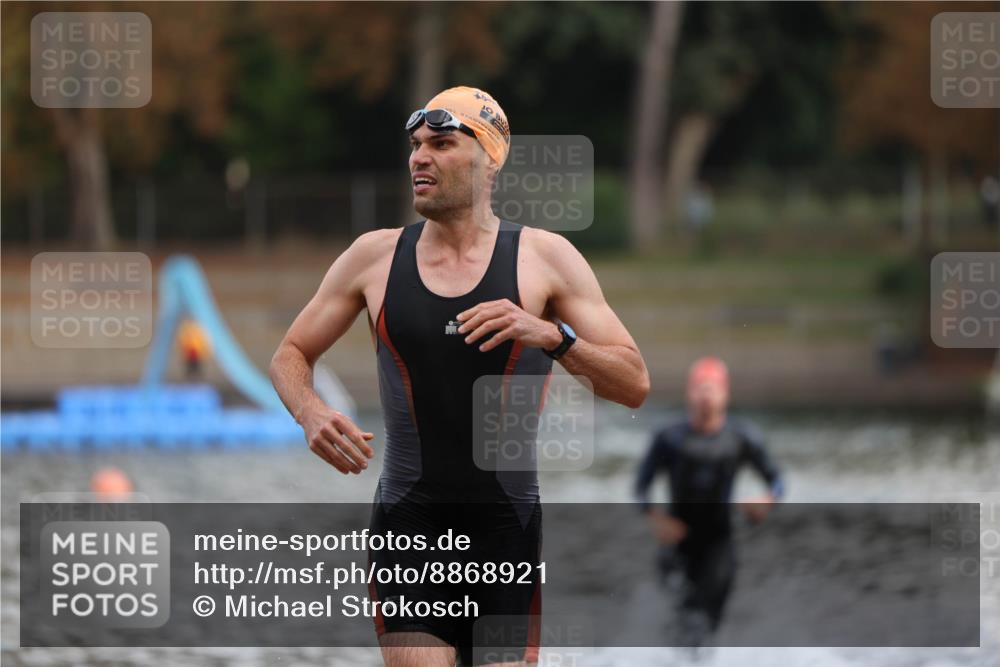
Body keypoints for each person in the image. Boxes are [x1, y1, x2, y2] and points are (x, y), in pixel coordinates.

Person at [270, 86, 650, 667]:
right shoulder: (373, 257)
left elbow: (633, 383)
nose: (419, 158)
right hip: (409, 525)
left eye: (442, 144)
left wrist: (552, 337)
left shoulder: (545, 259)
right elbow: (291, 352)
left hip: (505, 529)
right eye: (416, 145)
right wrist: (310, 411)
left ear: (490, 159)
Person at [635, 356, 783, 646]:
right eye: (699, 388)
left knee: (705, 624)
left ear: (725, 393)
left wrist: (766, 500)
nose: (705, 396)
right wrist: (655, 518)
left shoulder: (741, 437)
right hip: (677, 542)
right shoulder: (669, 437)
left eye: (712, 388)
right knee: (679, 622)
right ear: (689, 393)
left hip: (719, 544)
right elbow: (641, 487)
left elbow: (777, 481)